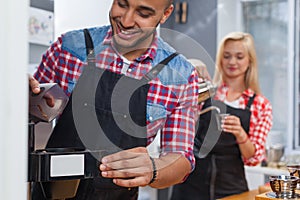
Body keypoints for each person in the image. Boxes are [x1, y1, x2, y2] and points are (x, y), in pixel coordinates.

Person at [28, 0, 199, 199]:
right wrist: (16, 94)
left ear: (166, 14)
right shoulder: (69, 48)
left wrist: (154, 168)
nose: (126, 21)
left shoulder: (181, 75)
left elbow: (181, 158)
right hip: (53, 193)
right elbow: (25, 116)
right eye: (122, 4)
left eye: (143, 14)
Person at [170, 32, 273, 200]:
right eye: (227, 56)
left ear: (249, 61)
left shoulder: (260, 105)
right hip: (190, 185)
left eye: (239, 57)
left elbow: (253, 158)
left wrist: (240, 133)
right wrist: (191, 65)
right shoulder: (205, 92)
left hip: (231, 187)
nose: (232, 62)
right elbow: (178, 124)